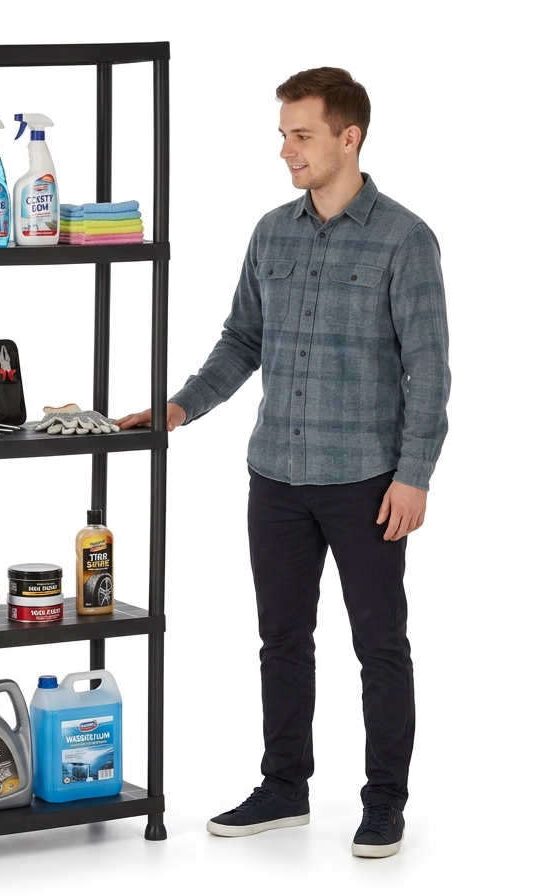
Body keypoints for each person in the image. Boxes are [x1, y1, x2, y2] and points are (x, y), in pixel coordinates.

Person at [116, 67, 450, 859]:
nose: (286, 150)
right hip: (275, 477)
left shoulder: (405, 239)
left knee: (380, 646)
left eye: (302, 135)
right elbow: (243, 340)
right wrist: (178, 408)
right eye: (282, 135)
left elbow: (429, 370)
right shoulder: (272, 232)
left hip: (367, 481)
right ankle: (283, 788)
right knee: (282, 640)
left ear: (349, 138)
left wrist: (414, 475)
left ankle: (385, 802)